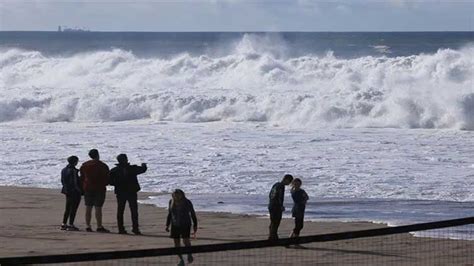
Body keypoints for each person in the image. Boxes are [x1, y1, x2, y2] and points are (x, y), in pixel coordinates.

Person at [109, 154, 147, 235]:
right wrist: (144, 165)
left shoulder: (114, 170)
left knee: (120, 210)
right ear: (126, 159)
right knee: (134, 211)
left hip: (120, 192)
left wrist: (117, 183)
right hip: (131, 192)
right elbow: (143, 169)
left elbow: (110, 181)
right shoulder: (132, 168)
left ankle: (121, 229)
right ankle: (135, 229)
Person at [80, 149, 110, 233]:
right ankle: (99, 226)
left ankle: (88, 225)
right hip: (99, 188)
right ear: (98, 155)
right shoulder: (102, 165)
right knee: (98, 208)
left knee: (88, 207)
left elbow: (82, 177)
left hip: (88, 188)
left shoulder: (85, 165)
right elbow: (107, 177)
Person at [166, 189, 197, 266]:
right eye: (175, 195)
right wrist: (167, 225)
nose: (176, 196)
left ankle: (189, 254)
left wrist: (195, 225)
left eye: (178, 195)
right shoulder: (171, 202)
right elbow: (170, 214)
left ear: (182, 195)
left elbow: (192, 213)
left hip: (185, 224)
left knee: (185, 240)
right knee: (176, 243)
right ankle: (181, 260)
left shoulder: (187, 202)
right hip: (175, 224)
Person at [268, 174, 293, 240]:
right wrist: (280, 206)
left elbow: (270, 195)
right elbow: (279, 196)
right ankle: (273, 237)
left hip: (271, 205)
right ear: (286, 179)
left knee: (273, 221)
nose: (289, 183)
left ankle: (272, 236)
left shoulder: (276, 184)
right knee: (276, 222)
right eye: (289, 181)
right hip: (276, 206)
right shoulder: (281, 186)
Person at [60, 155, 82, 231]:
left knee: (67, 208)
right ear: (75, 162)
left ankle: (64, 223)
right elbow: (75, 182)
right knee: (73, 209)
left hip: (67, 191)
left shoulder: (64, 170)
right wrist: (79, 191)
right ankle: (71, 224)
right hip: (74, 192)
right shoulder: (73, 171)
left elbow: (62, 181)